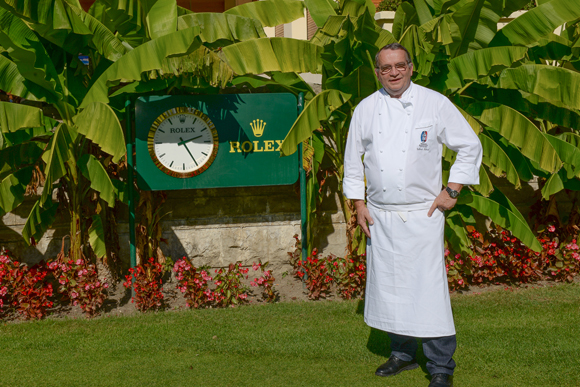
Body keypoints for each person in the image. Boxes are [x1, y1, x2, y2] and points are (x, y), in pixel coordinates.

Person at [343, 43, 482, 387]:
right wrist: (359, 205)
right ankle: (402, 355)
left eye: (399, 66)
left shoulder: (434, 103)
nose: (393, 72)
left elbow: (469, 145)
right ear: (377, 72)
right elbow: (352, 160)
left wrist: (452, 190)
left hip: (423, 216)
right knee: (391, 289)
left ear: (411, 67)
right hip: (381, 216)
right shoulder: (365, 108)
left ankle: (440, 366)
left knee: (428, 290)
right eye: (386, 68)